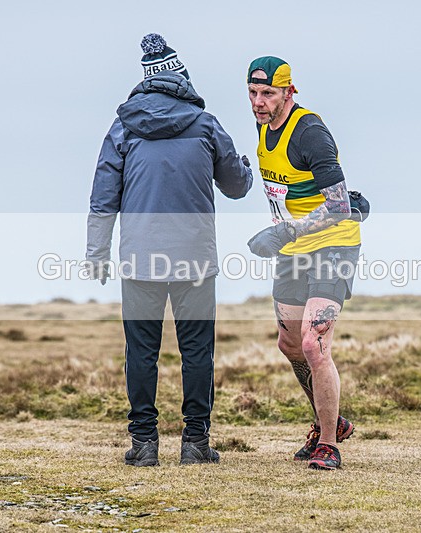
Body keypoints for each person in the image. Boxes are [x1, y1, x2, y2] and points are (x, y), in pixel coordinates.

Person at [86, 34, 253, 467]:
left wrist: (96, 253)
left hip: (139, 257)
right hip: (195, 256)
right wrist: (246, 169)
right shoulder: (205, 124)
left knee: (140, 351)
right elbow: (235, 187)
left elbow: (104, 196)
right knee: (197, 349)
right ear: (180, 77)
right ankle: (195, 443)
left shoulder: (122, 127)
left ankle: (143, 445)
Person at [246, 56, 361, 470]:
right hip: (293, 253)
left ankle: (328, 443)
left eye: (268, 94)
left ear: (289, 91)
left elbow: (340, 205)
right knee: (290, 343)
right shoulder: (263, 127)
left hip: (334, 246)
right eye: (253, 93)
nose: (259, 102)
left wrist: (285, 232)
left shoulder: (309, 130)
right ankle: (333, 420)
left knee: (314, 342)